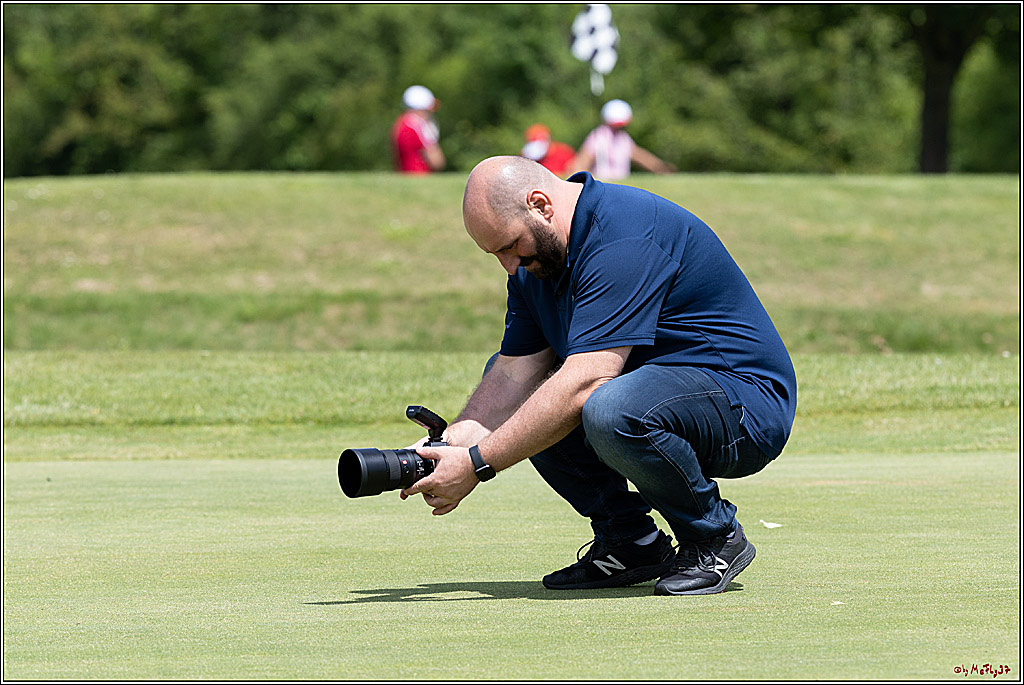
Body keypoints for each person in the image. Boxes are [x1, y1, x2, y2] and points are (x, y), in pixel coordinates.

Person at [400, 155, 797, 596]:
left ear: (540, 204)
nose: (509, 266)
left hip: (741, 404)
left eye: (510, 245)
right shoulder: (537, 263)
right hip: (652, 393)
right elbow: (514, 373)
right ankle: (631, 542)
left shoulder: (624, 233)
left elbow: (588, 381)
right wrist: (451, 443)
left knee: (603, 405)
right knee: (548, 390)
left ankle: (713, 537)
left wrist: (477, 464)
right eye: (494, 253)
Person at [575, 99, 675, 180]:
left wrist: (660, 167)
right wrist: (593, 179)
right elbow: (580, 165)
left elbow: (639, 155)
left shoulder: (623, 138)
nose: (618, 129)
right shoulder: (597, 138)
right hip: (604, 186)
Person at [390, 85, 445, 174]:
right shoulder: (418, 125)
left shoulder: (399, 123)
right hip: (421, 178)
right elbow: (437, 162)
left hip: (403, 176)